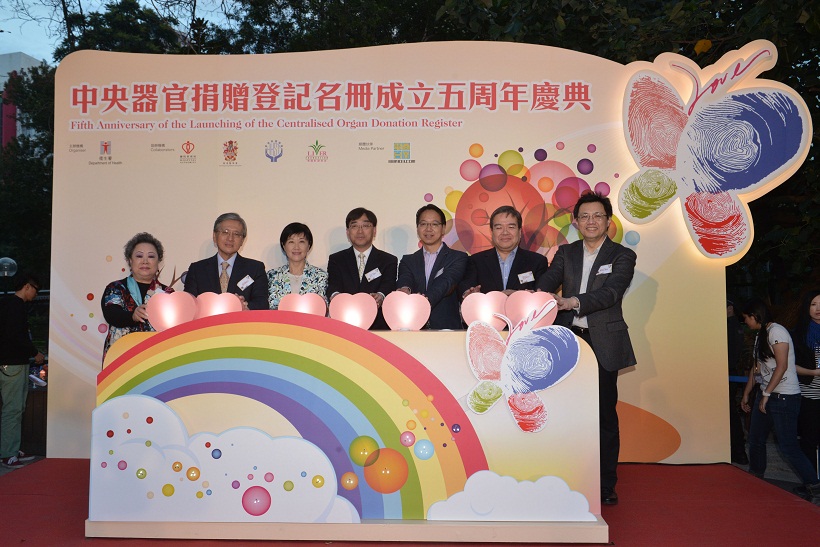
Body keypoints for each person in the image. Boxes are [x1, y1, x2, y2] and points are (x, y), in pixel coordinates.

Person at [536, 191, 637, 505]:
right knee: (565, 412)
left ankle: (606, 484)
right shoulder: (566, 253)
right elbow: (548, 280)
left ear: (608, 221)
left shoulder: (622, 255)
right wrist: (530, 294)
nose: (591, 221)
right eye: (585, 217)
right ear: (576, 222)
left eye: (598, 216)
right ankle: (568, 477)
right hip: (568, 340)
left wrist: (573, 301)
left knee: (604, 415)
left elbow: (611, 293)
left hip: (603, 343)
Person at [740, 298, 820, 500]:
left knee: (788, 445)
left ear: (754, 315)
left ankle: (813, 484)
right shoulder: (761, 335)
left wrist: (766, 394)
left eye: (746, 319)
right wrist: (747, 393)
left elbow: (783, 366)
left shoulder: (777, 331)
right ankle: (756, 475)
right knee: (756, 439)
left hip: (784, 396)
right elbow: (757, 370)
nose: (746, 323)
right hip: (766, 395)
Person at [101, 233, 173, 360]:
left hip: (158, 360)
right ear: (130, 260)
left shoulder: (168, 294)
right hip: (120, 359)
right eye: (139, 256)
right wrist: (132, 316)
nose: (145, 261)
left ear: (158, 262)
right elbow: (111, 315)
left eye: (151, 256)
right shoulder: (116, 288)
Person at [397, 204, 468, 330]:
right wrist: (404, 291)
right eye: (423, 224)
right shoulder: (408, 260)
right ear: (418, 228)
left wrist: (422, 302)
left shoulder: (458, 257)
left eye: (434, 224)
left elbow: (446, 282)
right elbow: (405, 280)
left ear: (443, 228)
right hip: (414, 329)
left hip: (447, 330)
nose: (428, 229)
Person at [0, 273, 45, 468]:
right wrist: (35, 353)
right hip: (14, 364)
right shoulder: (16, 307)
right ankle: (7, 453)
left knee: (14, 408)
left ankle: (10, 448)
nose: (35, 294)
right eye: (35, 290)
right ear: (27, 287)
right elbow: (17, 335)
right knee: (13, 409)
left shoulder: (5, 303)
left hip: (8, 363)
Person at [327, 207, 398, 330]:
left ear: (374, 230)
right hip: (344, 324)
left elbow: (389, 284)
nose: (360, 231)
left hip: (378, 327)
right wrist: (336, 297)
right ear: (347, 232)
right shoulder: (336, 259)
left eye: (365, 226)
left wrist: (381, 296)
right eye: (354, 226)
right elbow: (333, 285)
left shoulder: (388, 260)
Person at [183, 212, 268, 310]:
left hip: (242, 324)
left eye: (236, 234)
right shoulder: (197, 269)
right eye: (225, 232)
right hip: (207, 324)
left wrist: (244, 307)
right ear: (215, 236)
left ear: (242, 240)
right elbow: (188, 304)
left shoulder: (255, 268)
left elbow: (262, 303)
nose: (230, 238)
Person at [459, 205, 547, 298]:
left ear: (520, 232)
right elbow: (466, 290)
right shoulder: (475, 261)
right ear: (492, 232)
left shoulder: (537, 262)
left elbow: (542, 297)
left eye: (511, 227)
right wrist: (469, 295)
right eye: (499, 227)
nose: (505, 232)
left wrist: (519, 296)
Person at [267, 222, 328, 310]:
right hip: (278, 323)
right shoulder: (272, 276)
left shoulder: (321, 276)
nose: (296, 247)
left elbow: (323, 309)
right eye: (291, 242)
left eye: (301, 242)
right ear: (284, 246)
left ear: (309, 245)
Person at [793, 289, 820, 479]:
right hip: (808, 396)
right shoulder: (798, 334)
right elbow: (788, 365)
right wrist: (813, 372)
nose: (818, 308)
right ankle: (812, 483)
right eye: (813, 304)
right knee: (809, 441)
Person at [727, 299, 749, 464]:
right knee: (730, 413)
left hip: (727, 374)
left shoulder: (729, 326)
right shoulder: (735, 326)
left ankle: (738, 451)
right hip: (730, 373)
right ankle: (737, 451)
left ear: (730, 308)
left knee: (730, 414)